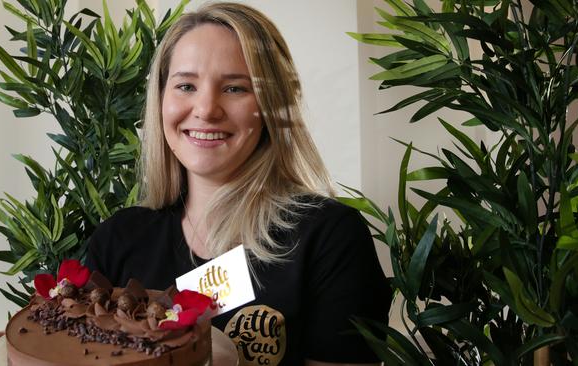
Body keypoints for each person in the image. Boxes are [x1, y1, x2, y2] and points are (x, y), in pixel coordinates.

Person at [84, 2, 391, 365]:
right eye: (185, 85)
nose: (206, 109)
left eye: (234, 89)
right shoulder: (117, 240)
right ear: (161, 101)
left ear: (272, 105)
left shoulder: (329, 238)